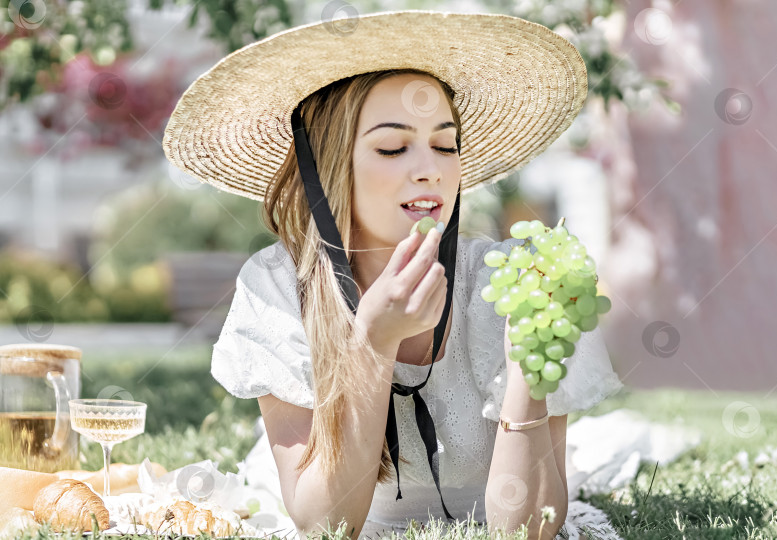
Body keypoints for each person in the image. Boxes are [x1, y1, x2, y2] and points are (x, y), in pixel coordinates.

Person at [162, 10, 624, 540]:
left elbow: (529, 529)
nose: (430, 168)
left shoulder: (514, 283)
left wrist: (526, 366)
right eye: (392, 146)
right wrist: (374, 344)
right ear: (332, 165)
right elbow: (325, 525)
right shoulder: (278, 287)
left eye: (445, 144)